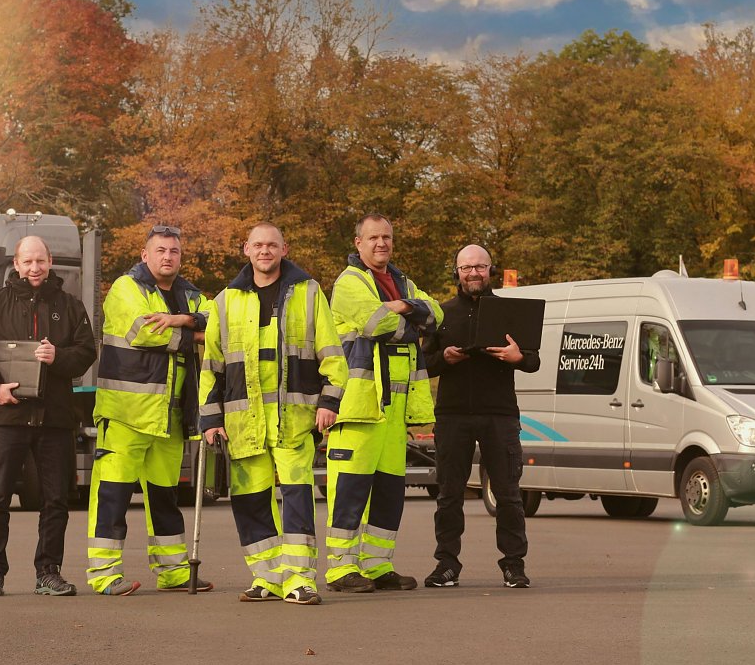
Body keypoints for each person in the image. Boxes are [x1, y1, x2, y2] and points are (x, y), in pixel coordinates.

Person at [199, 223, 347, 605]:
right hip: (243, 424)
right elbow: (212, 365)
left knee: (296, 498)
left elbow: (332, 354)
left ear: (285, 248)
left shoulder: (309, 292)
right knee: (250, 502)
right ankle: (266, 577)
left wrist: (330, 402)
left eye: (272, 245)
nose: (265, 251)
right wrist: (211, 419)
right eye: (258, 245)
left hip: (294, 421)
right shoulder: (225, 300)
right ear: (246, 249)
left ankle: (299, 580)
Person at [0, 235, 97, 597]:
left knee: (56, 499)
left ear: (50, 261)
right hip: (7, 417)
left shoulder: (69, 306)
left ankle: (48, 572)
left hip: (54, 419)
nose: (34, 268)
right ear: (16, 264)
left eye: (40, 261)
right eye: (27, 262)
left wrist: (59, 358)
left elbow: (86, 352)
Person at [87, 225, 213, 596]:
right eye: (160, 250)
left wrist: (183, 319)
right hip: (126, 413)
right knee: (112, 496)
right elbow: (145, 332)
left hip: (170, 417)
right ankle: (105, 575)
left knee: (164, 497)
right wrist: (194, 333)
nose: (167, 257)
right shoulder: (126, 288)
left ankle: (173, 570)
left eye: (174, 251)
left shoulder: (189, 294)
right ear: (145, 255)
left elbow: (219, 324)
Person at [324, 214, 443, 593]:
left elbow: (438, 314)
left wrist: (403, 307)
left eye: (387, 237)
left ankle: (377, 565)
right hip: (358, 406)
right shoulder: (348, 282)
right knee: (349, 490)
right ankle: (341, 569)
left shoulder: (402, 281)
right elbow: (376, 324)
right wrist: (414, 314)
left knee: (390, 492)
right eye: (373, 237)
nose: (381, 243)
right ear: (358, 243)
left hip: (395, 408)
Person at [421, 244, 540, 589]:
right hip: (452, 414)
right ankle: (446, 564)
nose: (473, 273)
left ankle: (513, 564)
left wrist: (517, 357)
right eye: (466, 267)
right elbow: (423, 365)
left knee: (508, 494)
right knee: (448, 494)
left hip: (499, 415)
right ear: (456, 272)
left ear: (490, 270)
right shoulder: (440, 315)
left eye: (480, 267)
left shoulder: (511, 311)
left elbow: (533, 361)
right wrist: (445, 357)